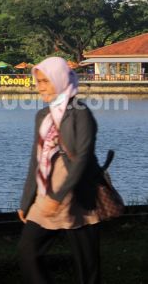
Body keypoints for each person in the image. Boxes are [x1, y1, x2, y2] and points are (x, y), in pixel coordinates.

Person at [18, 57, 103, 284]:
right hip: (46, 194)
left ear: (60, 79)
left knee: (87, 266)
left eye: (46, 81)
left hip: (76, 194)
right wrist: (26, 201)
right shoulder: (42, 116)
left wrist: (59, 197)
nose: (40, 87)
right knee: (27, 252)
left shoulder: (79, 113)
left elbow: (82, 158)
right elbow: (35, 160)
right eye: (38, 81)